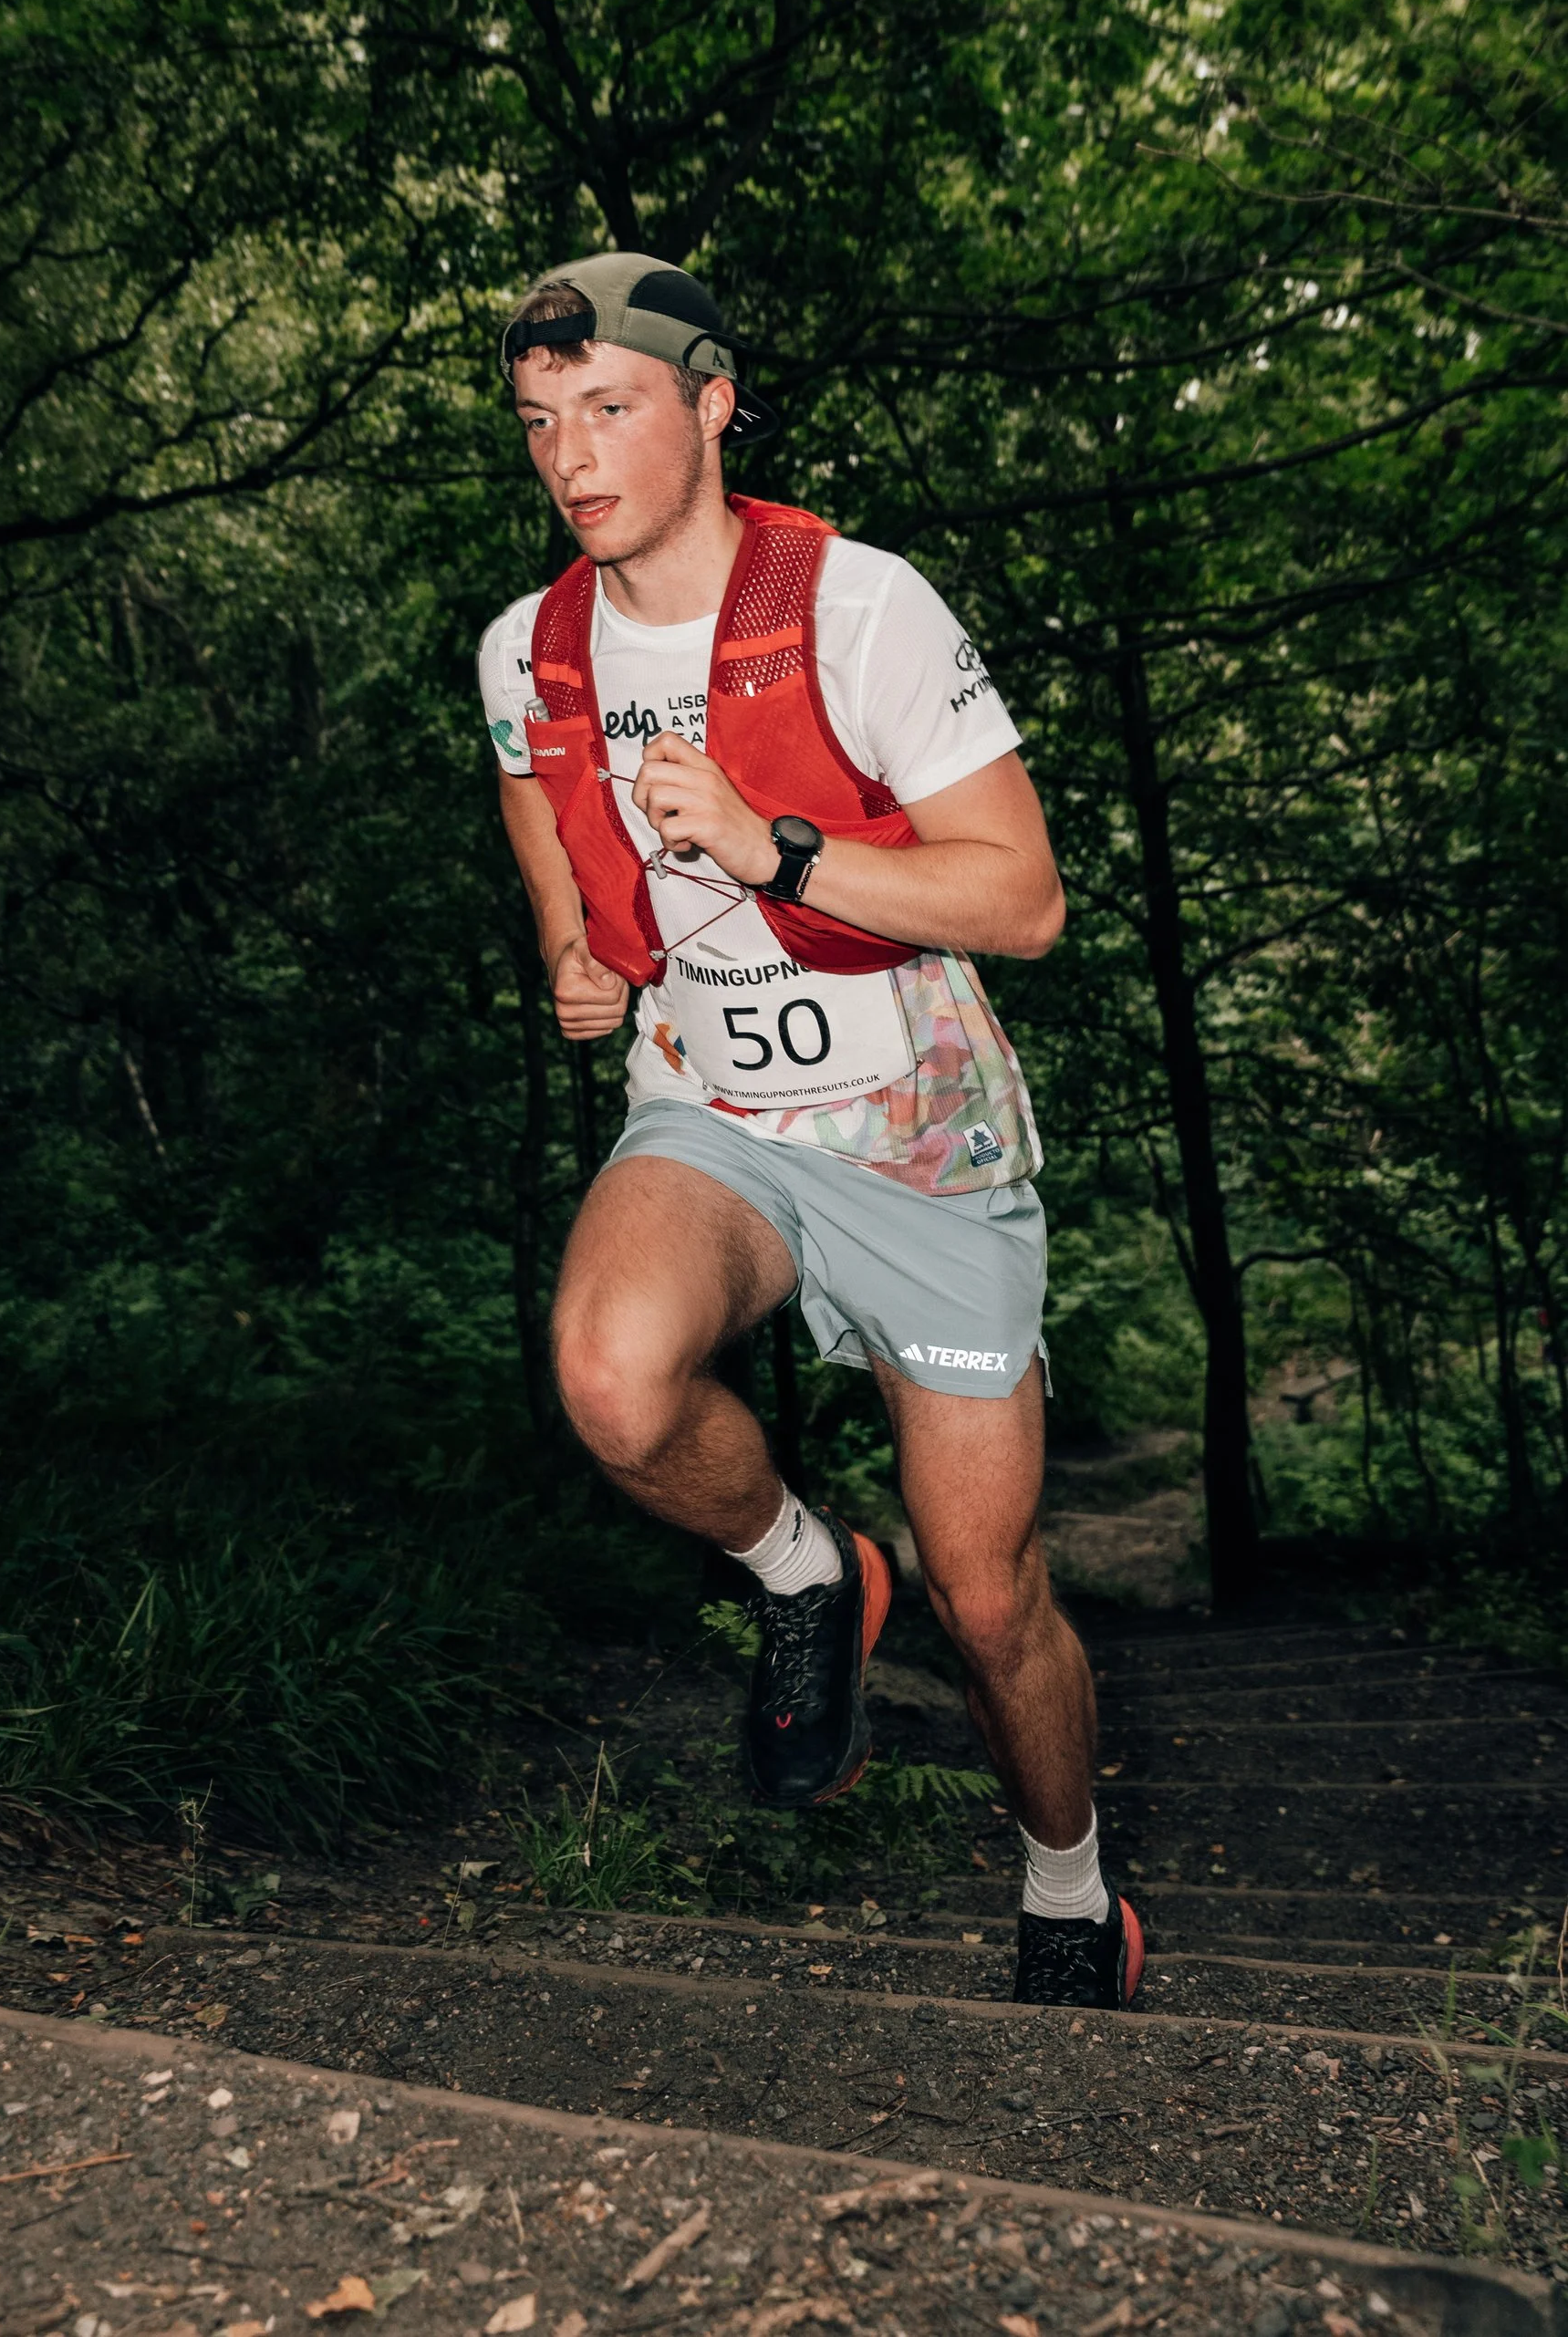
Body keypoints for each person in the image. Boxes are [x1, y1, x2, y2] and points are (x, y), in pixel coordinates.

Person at [477, 251, 1140, 2011]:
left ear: (708, 404)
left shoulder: (862, 609)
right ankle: (800, 1569)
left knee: (987, 1600)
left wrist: (777, 844)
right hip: (714, 1114)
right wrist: (572, 959)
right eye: (542, 423)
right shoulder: (526, 646)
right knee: (612, 1377)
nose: (572, 454)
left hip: (919, 1138)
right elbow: (542, 827)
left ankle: (1069, 1889)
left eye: (608, 408)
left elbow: (1026, 901)